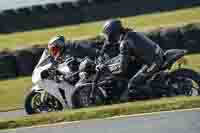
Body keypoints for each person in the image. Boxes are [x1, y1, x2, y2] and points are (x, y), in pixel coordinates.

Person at [101, 19, 164, 101]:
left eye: (106, 34)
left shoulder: (124, 43)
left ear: (112, 33)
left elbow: (122, 68)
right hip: (155, 54)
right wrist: (109, 63)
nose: (106, 37)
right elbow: (122, 56)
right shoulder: (130, 34)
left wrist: (109, 70)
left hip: (153, 61)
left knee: (133, 83)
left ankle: (155, 98)